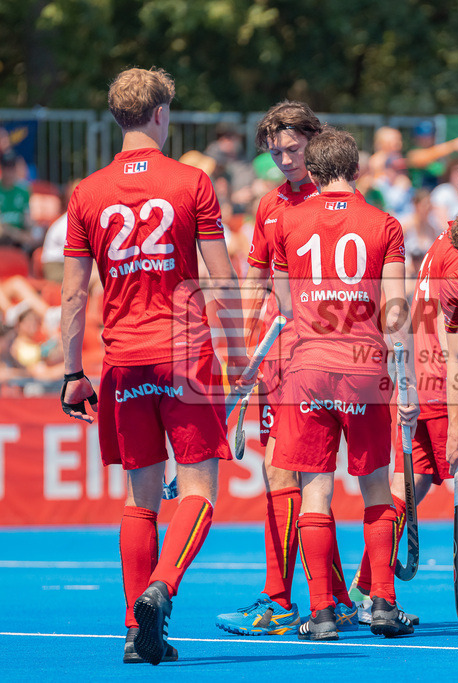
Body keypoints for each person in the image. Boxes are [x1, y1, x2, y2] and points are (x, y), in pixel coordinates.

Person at [59, 67, 243, 664]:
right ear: (162, 112)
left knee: (140, 499)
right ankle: (162, 586)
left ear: (117, 117)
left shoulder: (86, 192)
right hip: (186, 355)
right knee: (199, 491)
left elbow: (72, 296)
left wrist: (70, 373)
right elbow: (222, 280)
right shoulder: (192, 181)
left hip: (123, 361)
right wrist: (240, 358)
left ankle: (137, 632)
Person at [348, 155, 458, 629]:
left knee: (413, 486)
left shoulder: (445, 242)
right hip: (456, 390)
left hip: (428, 386)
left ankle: (367, 589)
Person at [214, 101, 360, 637]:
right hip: (278, 358)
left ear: (314, 144)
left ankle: (285, 600)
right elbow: (255, 281)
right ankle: (332, 598)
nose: (283, 158)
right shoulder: (271, 204)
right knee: (289, 473)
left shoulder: (338, 202)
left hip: (329, 358)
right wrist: (247, 352)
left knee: (304, 475)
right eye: (275, 150)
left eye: (293, 148)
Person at [269, 126, 418, 640]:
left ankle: (321, 613)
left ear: (311, 170)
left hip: (308, 367)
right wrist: (409, 381)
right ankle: (382, 602)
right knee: (375, 486)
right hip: (365, 367)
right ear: (357, 170)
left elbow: (286, 305)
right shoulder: (385, 223)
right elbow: (395, 311)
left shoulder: (287, 220)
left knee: (315, 489)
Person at [0, 150, 33, 249]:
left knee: (38, 235)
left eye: (12, 167)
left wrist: (29, 233)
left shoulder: (24, 190)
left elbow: (27, 219)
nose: (9, 171)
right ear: (2, 168)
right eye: (7, 167)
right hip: (5, 235)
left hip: (19, 236)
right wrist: (18, 234)